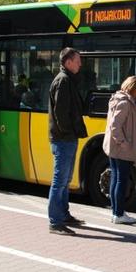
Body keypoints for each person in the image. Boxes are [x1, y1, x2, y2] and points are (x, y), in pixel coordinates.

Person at [47, 47, 88, 236]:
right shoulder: (63, 81)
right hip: (64, 138)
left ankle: (63, 214)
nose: (80, 63)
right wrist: (68, 131)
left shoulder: (67, 79)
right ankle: (55, 222)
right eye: (77, 60)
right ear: (68, 62)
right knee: (60, 180)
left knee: (64, 180)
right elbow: (61, 113)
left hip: (67, 137)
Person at [103, 75, 136, 225]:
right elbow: (115, 126)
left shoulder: (118, 98)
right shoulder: (125, 103)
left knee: (116, 179)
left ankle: (116, 212)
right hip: (121, 148)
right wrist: (124, 143)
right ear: (133, 88)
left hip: (115, 148)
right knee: (121, 180)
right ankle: (119, 213)